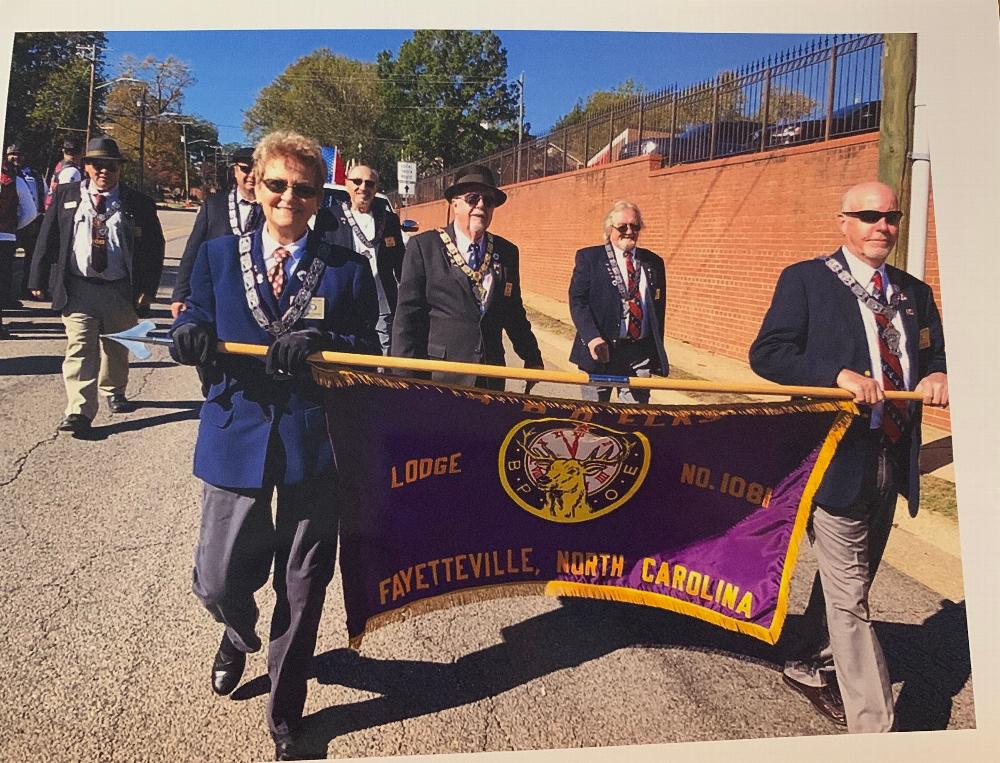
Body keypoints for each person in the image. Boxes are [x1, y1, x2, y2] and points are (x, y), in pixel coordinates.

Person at [170, 129, 379, 761]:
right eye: (278, 184)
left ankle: (287, 710)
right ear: (255, 185)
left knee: (304, 585)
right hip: (236, 430)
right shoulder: (216, 255)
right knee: (216, 578)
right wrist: (190, 332)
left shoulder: (347, 268)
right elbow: (193, 312)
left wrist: (322, 340)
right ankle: (237, 633)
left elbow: (367, 349)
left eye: (304, 189)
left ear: (320, 198)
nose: (290, 197)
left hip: (314, 441)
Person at [748, 181, 948, 733]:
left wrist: (936, 372)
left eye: (891, 217)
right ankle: (874, 727)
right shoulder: (806, 280)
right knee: (851, 598)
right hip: (833, 457)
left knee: (851, 583)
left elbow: (933, 349)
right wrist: (834, 375)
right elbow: (768, 354)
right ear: (843, 221)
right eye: (868, 216)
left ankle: (807, 661)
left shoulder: (913, 292)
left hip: (891, 457)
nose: (882, 226)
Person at [28, 136, 165, 435]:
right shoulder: (66, 195)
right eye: (97, 164)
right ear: (87, 166)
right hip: (78, 288)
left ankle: (114, 390)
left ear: (120, 169)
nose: (104, 171)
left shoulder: (138, 203)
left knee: (117, 345)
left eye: (111, 166)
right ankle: (79, 410)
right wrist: (37, 276)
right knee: (79, 347)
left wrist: (148, 289)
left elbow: (154, 249)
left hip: (120, 288)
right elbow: (48, 237)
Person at [391, 164, 543, 389]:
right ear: (455, 204)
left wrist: (532, 356)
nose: (481, 205)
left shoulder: (507, 252)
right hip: (440, 377)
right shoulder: (424, 247)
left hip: (490, 377)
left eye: (488, 201)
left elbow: (513, 313)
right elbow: (407, 317)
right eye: (473, 199)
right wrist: (403, 377)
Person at [568, 200, 669, 402]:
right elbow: (577, 301)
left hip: (638, 354)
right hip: (600, 352)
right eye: (623, 227)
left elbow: (658, 310)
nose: (629, 232)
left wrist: (654, 352)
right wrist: (592, 338)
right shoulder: (590, 258)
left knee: (634, 415)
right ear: (610, 229)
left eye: (635, 226)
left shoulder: (653, 263)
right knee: (595, 415)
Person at [321, 163, 404, 354]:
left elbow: (401, 263)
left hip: (381, 300)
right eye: (357, 181)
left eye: (369, 183)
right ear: (347, 184)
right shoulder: (330, 217)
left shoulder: (389, 220)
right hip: (344, 299)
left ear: (376, 188)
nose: (363, 188)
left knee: (384, 351)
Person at [171, 146, 260, 319]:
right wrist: (180, 295)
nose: (252, 175)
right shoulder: (214, 205)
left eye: (258, 170)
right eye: (246, 169)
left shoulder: (274, 209)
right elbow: (193, 250)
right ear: (235, 170)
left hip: (260, 299)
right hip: (216, 295)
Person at [0, 157, 38, 339]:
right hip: (5, 238)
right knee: (1, 282)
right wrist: (14, 227)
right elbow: (30, 212)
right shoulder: (15, 180)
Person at [4, 144, 44, 305]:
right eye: (12, 154)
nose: (16, 157)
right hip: (10, 224)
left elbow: (43, 195)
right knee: (7, 262)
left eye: (19, 154)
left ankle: (28, 289)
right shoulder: (10, 176)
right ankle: (8, 296)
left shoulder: (34, 174)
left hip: (30, 223)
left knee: (32, 258)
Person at [45, 138, 84, 210]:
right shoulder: (72, 171)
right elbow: (68, 198)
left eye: (75, 151)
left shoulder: (61, 164)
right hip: (60, 209)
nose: (72, 155)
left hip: (52, 206)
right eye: (69, 152)